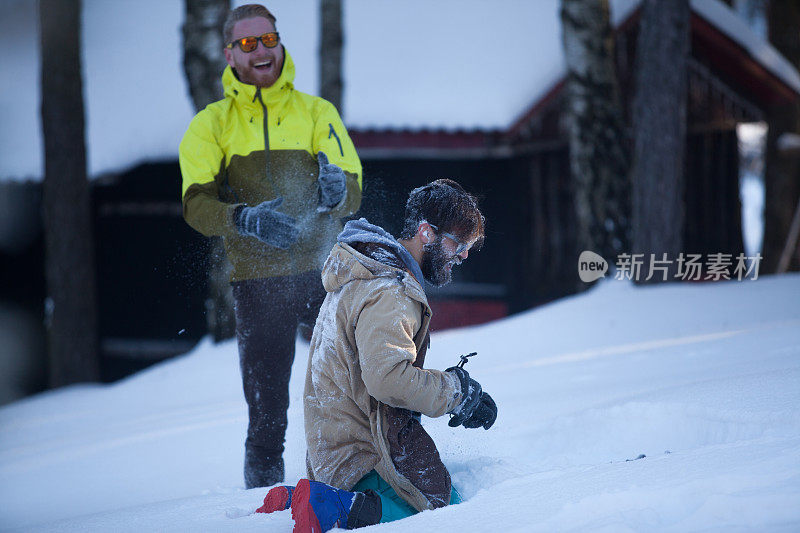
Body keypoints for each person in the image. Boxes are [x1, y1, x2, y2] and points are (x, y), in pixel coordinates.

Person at [178, 4, 362, 489]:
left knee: (359, 386)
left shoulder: (316, 112)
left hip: (324, 275)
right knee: (266, 420)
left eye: (268, 39)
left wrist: (336, 189)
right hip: (258, 284)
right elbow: (195, 205)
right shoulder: (211, 125)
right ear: (229, 54)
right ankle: (262, 510)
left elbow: (353, 183)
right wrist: (241, 218)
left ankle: (372, 480)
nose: (260, 50)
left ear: (280, 42)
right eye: (247, 43)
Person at [256, 179, 498, 531]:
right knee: (449, 516)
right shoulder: (389, 291)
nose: (462, 255)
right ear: (426, 233)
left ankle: (303, 499)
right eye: (457, 244)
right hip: (364, 455)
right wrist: (457, 393)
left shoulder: (367, 275)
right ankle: (332, 506)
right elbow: (388, 379)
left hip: (338, 447)